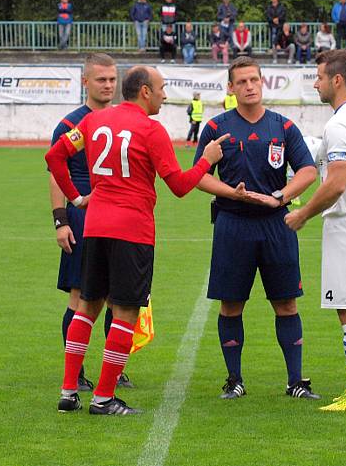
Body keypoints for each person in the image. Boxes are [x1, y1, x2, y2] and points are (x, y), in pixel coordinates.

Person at [46, 66, 229, 415]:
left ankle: (69, 392)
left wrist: (77, 198)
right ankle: (103, 398)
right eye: (161, 89)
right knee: (125, 312)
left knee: (87, 306)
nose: (164, 95)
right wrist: (206, 160)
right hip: (132, 229)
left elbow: (54, 156)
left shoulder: (92, 121)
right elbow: (178, 185)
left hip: (95, 226)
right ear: (144, 91)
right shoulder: (151, 129)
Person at [193, 56, 320, 401]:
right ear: (230, 88)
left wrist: (279, 197)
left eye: (254, 80)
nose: (249, 86)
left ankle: (296, 381)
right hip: (232, 225)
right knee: (231, 305)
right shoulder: (217, 128)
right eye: (241, 82)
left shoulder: (283, 127)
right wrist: (230, 192)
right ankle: (234, 379)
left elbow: (308, 171)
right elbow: (199, 176)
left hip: (276, 226)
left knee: (287, 304)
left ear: (262, 83)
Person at [284, 50, 346, 411]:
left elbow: (337, 183)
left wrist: (304, 214)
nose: (316, 83)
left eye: (319, 77)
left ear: (336, 80)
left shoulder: (340, 124)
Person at [49, 53, 132, 393]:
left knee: (118, 297)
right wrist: (61, 221)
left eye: (112, 79)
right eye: (101, 80)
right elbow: (56, 174)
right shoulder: (71, 125)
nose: (108, 85)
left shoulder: (122, 120)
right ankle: (78, 370)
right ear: (85, 82)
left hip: (119, 217)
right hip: (84, 217)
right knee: (80, 296)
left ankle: (112, 369)